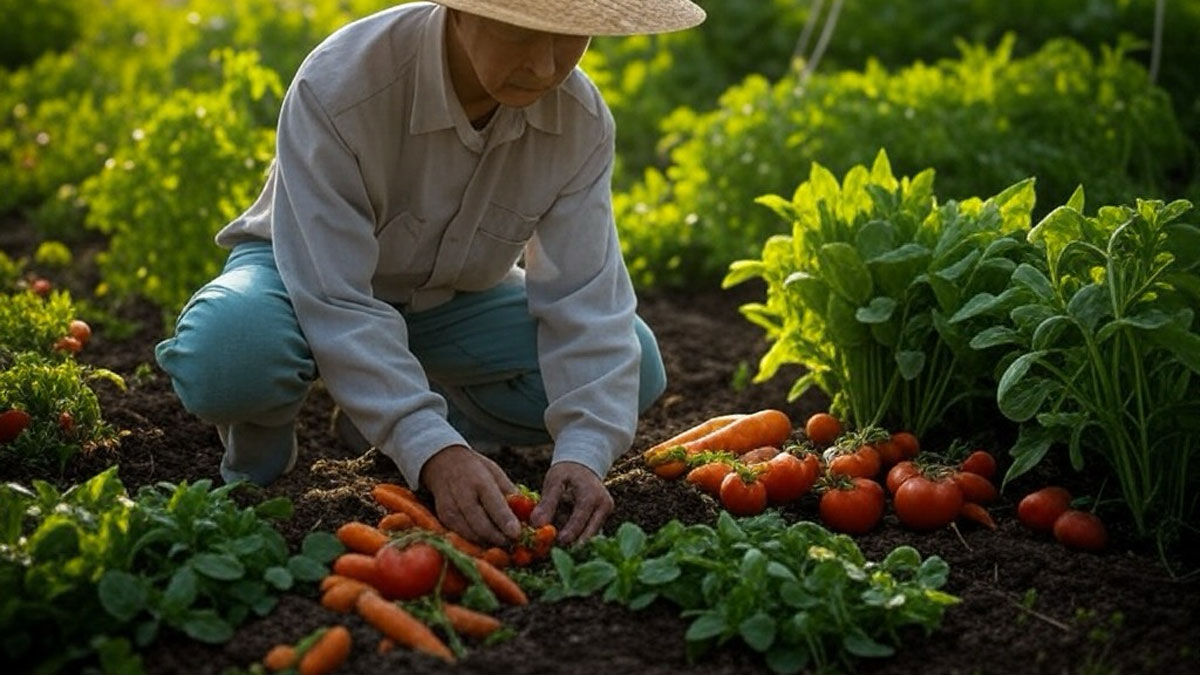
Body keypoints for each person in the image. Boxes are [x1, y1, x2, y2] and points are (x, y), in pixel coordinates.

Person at [155, 0, 705, 548]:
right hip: (300, 280)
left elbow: (586, 300)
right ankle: (265, 465)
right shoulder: (343, 86)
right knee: (233, 356)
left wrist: (584, 455)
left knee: (634, 367)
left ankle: (409, 416)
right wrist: (430, 451)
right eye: (523, 34)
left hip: (448, 302)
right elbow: (333, 296)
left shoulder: (578, 121)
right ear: (459, 13)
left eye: (570, 37)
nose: (544, 66)